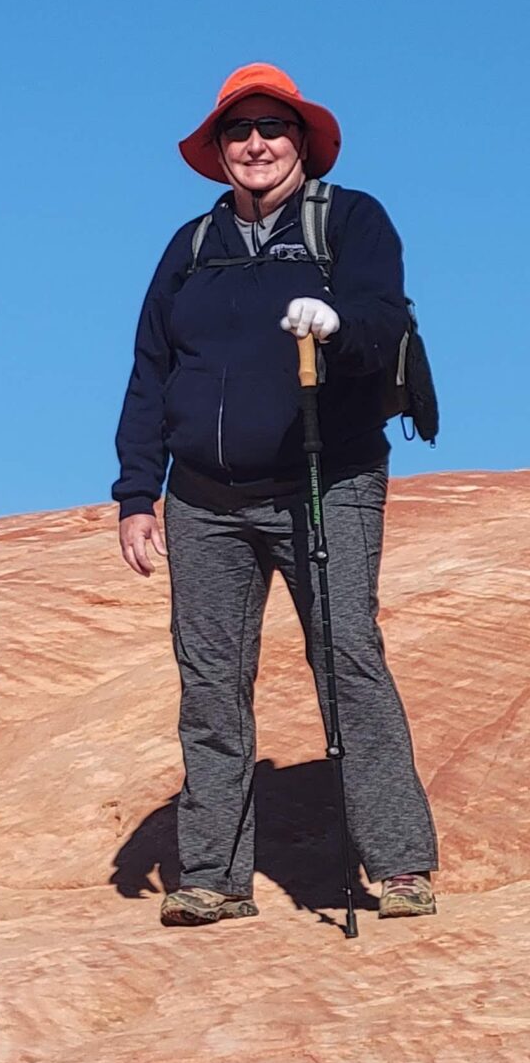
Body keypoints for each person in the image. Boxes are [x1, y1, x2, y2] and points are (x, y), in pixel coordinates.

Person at [113, 64, 438, 925]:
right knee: (211, 684)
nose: (255, 144)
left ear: (301, 140)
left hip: (325, 480)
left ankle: (400, 864)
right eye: (238, 131)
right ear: (218, 150)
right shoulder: (190, 249)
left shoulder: (350, 220)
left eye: (272, 128)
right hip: (203, 499)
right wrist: (137, 494)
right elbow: (151, 372)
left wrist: (337, 326)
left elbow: (383, 317)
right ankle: (215, 875)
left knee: (348, 663)